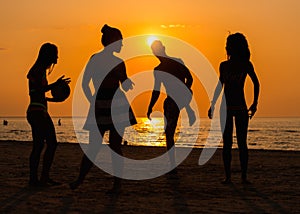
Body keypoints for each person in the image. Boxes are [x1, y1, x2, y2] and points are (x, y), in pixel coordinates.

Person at [70, 24, 136, 194]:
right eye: (120, 41)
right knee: (97, 147)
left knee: (113, 146)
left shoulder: (118, 62)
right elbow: (85, 83)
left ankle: (116, 185)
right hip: (103, 103)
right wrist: (93, 100)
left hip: (116, 104)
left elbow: (125, 84)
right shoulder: (97, 59)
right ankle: (81, 179)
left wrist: (126, 81)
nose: (122, 45)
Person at [208, 33, 260, 184]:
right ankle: (228, 177)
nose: (226, 47)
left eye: (228, 45)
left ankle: (243, 176)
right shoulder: (223, 65)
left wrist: (255, 103)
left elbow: (256, 83)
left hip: (240, 106)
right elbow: (220, 85)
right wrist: (212, 104)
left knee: (242, 143)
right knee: (227, 143)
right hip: (226, 108)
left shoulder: (246, 64)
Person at [147, 40, 195, 173]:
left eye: (157, 50)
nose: (156, 54)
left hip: (182, 96)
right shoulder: (158, 69)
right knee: (169, 133)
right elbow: (156, 90)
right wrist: (150, 107)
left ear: (163, 48)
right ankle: (172, 163)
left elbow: (190, 78)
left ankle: (188, 108)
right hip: (170, 101)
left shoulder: (177, 61)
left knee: (169, 132)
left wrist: (184, 91)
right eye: (154, 52)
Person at [26, 43, 70, 187]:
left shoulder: (42, 71)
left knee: (44, 145)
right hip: (36, 112)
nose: (57, 57)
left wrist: (54, 99)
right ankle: (36, 180)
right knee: (44, 145)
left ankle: (41, 179)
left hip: (41, 111)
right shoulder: (36, 70)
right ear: (48, 55)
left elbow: (40, 95)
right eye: (55, 54)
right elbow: (36, 91)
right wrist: (54, 85)